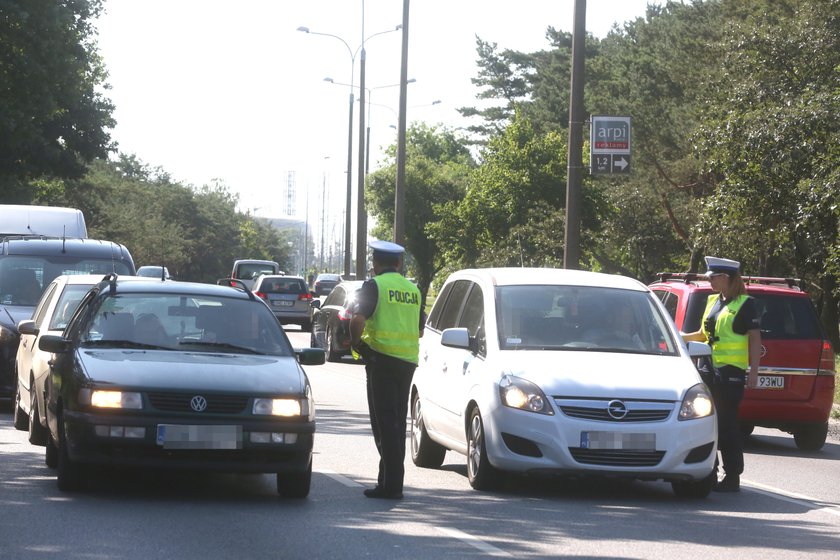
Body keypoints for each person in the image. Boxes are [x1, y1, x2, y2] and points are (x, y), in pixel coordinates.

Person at [349, 240, 425, 500]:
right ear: (400, 263)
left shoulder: (375, 286)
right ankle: (389, 480)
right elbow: (420, 329)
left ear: (375, 263)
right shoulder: (413, 289)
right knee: (396, 422)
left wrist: (356, 343)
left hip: (381, 360)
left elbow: (357, 319)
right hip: (407, 362)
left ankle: (391, 486)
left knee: (384, 424)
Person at [682, 256, 761, 492]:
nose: (710, 281)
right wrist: (675, 336)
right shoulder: (712, 301)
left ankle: (733, 475)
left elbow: (755, 338)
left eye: (713, 277)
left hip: (730, 373)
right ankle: (709, 471)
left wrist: (754, 371)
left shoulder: (746, 304)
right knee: (706, 423)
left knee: (726, 424)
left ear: (726, 278)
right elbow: (702, 334)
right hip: (707, 370)